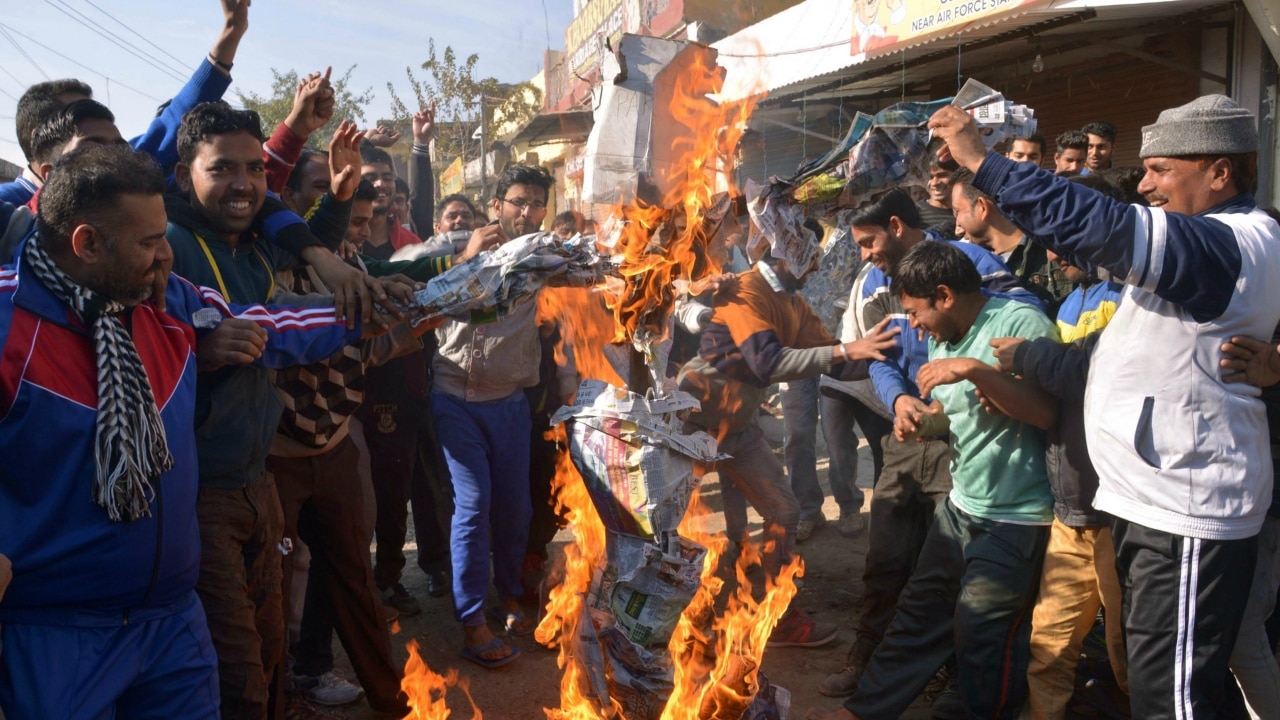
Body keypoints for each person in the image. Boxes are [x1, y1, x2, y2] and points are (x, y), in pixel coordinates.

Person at [928, 92, 1280, 720]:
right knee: (1162, 685)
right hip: (1152, 502)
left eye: (1161, 169)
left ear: (1220, 172)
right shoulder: (1211, 246)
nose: (1145, 185)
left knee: (1175, 700)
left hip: (1188, 508)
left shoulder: (1224, 242)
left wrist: (984, 162)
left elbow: (1100, 225)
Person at [0, 143, 364, 720]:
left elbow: (266, 323)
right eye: (147, 241)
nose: (166, 253)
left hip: (172, 626)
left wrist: (387, 306)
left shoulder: (168, 304)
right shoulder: (8, 325)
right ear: (87, 243)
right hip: (55, 638)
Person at [167, 101, 409, 719]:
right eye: (223, 168)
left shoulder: (253, 248)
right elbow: (144, 344)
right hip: (200, 492)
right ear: (182, 174)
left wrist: (391, 298)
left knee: (269, 649)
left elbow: (288, 299)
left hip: (255, 484)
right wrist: (199, 346)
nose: (244, 184)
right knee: (238, 672)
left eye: (254, 168)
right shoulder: (168, 248)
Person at [813, 240, 1057, 720]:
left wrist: (973, 369)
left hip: (1015, 518)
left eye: (916, 312)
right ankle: (864, 711)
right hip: (963, 508)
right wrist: (925, 420)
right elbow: (958, 411)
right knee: (918, 614)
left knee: (982, 634)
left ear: (944, 295)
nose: (914, 326)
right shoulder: (946, 334)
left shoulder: (1020, 327)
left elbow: (1046, 413)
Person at [678, 219, 900, 648]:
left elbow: (837, 361)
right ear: (784, 249)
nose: (816, 265)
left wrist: (890, 352)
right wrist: (845, 350)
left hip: (738, 428)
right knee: (674, 526)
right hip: (691, 425)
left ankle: (777, 616)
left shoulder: (793, 304)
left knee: (783, 512)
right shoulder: (743, 289)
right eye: (809, 254)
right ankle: (666, 614)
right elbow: (767, 363)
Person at [986, 175, 1129, 720]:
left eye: (1060, 234)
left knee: (1130, 655)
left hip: (1120, 514)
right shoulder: (1072, 302)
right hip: (1071, 509)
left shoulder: (1134, 301)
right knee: (1049, 648)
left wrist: (1027, 361)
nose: (1049, 250)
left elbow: (1087, 377)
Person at [432, 163, 553, 668]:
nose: (526, 213)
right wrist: (468, 259)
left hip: (509, 402)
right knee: (474, 505)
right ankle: (473, 621)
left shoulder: (547, 257)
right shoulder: (456, 248)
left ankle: (510, 595)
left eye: (535, 204)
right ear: (497, 204)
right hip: (454, 397)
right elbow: (431, 301)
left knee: (515, 508)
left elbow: (599, 271)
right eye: (517, 202)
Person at [0, 0, 249, 206]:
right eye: (79, 123)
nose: (112, 154)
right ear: (39, 139)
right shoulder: (10, 206)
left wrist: (232, 32)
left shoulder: (122, 168)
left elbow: (173, 121)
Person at [951, 167, 1073, 312]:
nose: (957, 225)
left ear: (982, 207)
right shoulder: (967, 266)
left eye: (957, 211)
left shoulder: (1053, 250)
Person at [915, 160, 956, 239]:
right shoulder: (914, 211)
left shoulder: (967, 211)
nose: (934, 183)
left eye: (942, 175)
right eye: (930, 177)